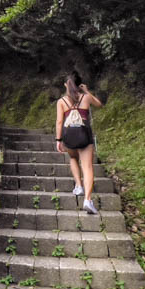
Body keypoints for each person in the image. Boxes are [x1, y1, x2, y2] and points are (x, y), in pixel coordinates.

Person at [55, 71, 104, 215]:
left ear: (66, 85)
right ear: (79, 85)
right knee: (88, 167)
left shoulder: (61, 102)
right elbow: (99, 104)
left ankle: (78, 185)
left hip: (69, 137)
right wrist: (87, 91)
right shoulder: (86, 98)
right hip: (85, 136)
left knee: (72, 158)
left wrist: (58, 140)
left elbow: (59, 122)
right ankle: (88, 200)